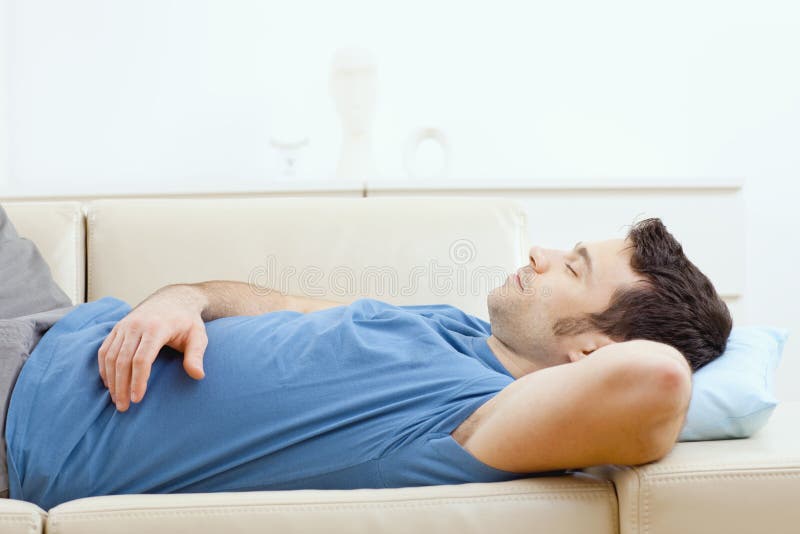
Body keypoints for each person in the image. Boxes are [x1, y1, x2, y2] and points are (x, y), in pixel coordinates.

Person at [2, 216, 731, 510]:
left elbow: (659, 381)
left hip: (23, 410)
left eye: (573, 268)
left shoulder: (480, 424)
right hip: (61, 320)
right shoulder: (453, 327)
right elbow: (271, 298)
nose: (540, 254)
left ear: (595, 351)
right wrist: (182, 298)